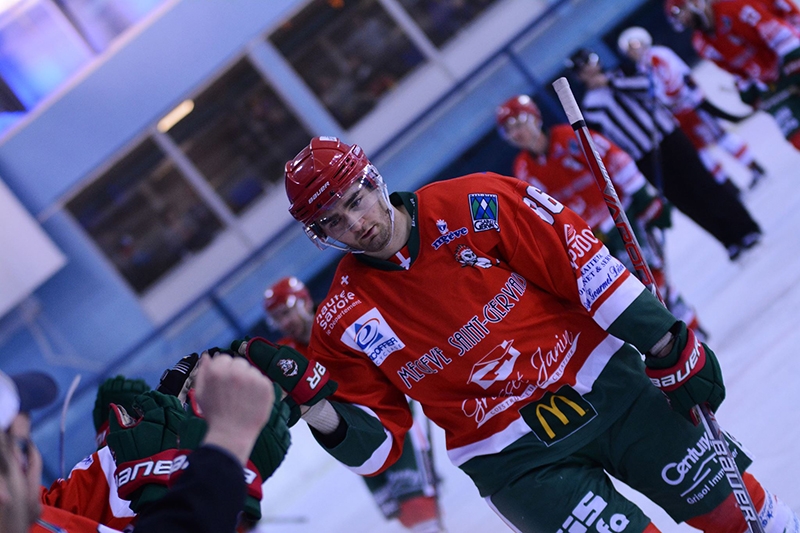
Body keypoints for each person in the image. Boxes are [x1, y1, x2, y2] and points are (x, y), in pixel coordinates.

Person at [231, 136, 800, 532]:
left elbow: (584, 268)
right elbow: (377, 448)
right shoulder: (342, 318)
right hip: (515, 462)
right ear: (319, 233)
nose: (355, 224)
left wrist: (667, 343)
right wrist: (312, 401)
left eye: (354, 202)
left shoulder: (477, 202)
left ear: (373, 181)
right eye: (332, 220)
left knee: (745, 518)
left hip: (612, 390)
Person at [495, 93, 706, 340]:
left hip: (621, 218)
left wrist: (643, 197)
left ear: (535, 119)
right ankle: (670, 333)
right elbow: (539, 212)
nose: (517, 133)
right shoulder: (523, 168)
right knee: (628, 289)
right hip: (590, 238)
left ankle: (692, 330)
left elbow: (614, 158)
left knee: (651, 276)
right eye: (509, 130)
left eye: (520, 123)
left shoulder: (570, 138)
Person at [263, 276, 444, 533]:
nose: (284, 323)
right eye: (276, 318)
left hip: (391, 419)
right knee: (400, 512)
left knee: (417, 504)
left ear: (304, 301)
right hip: (353, 436)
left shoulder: (338, 319)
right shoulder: (286, 353)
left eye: (286, 312)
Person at [568, 47, 763, 260]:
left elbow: (649, 86)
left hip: (669, 138)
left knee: (703, 183)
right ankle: (728, 240)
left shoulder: (622, 72)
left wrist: (611, 83)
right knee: (685, 201)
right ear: (579, 76)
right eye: (583, 69)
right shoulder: (589, 106)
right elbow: (604, 140)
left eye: (590, 63)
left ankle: (746, 228)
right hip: (644, 157)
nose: (589, 70)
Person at [617, 25, 767, 192]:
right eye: (629, 50)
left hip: (691, 105)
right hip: (678, 114)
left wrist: (670, 99)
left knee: (720, 137)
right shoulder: (642, 68)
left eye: (634, 46)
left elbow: (674, 79)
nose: (633, 52)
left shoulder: (658, 55)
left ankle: (754, 167)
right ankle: (728, 186)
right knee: (700, 150)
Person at [665, 0, 800, 150]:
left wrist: (794, 67)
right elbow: (737, 71)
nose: (682, 19)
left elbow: (779, 34)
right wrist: (749, 94)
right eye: (676, 16)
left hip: (791, 60)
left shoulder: (733, 7)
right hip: (773, 83)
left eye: (681, 11)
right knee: (796, 137)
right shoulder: (700, 43)